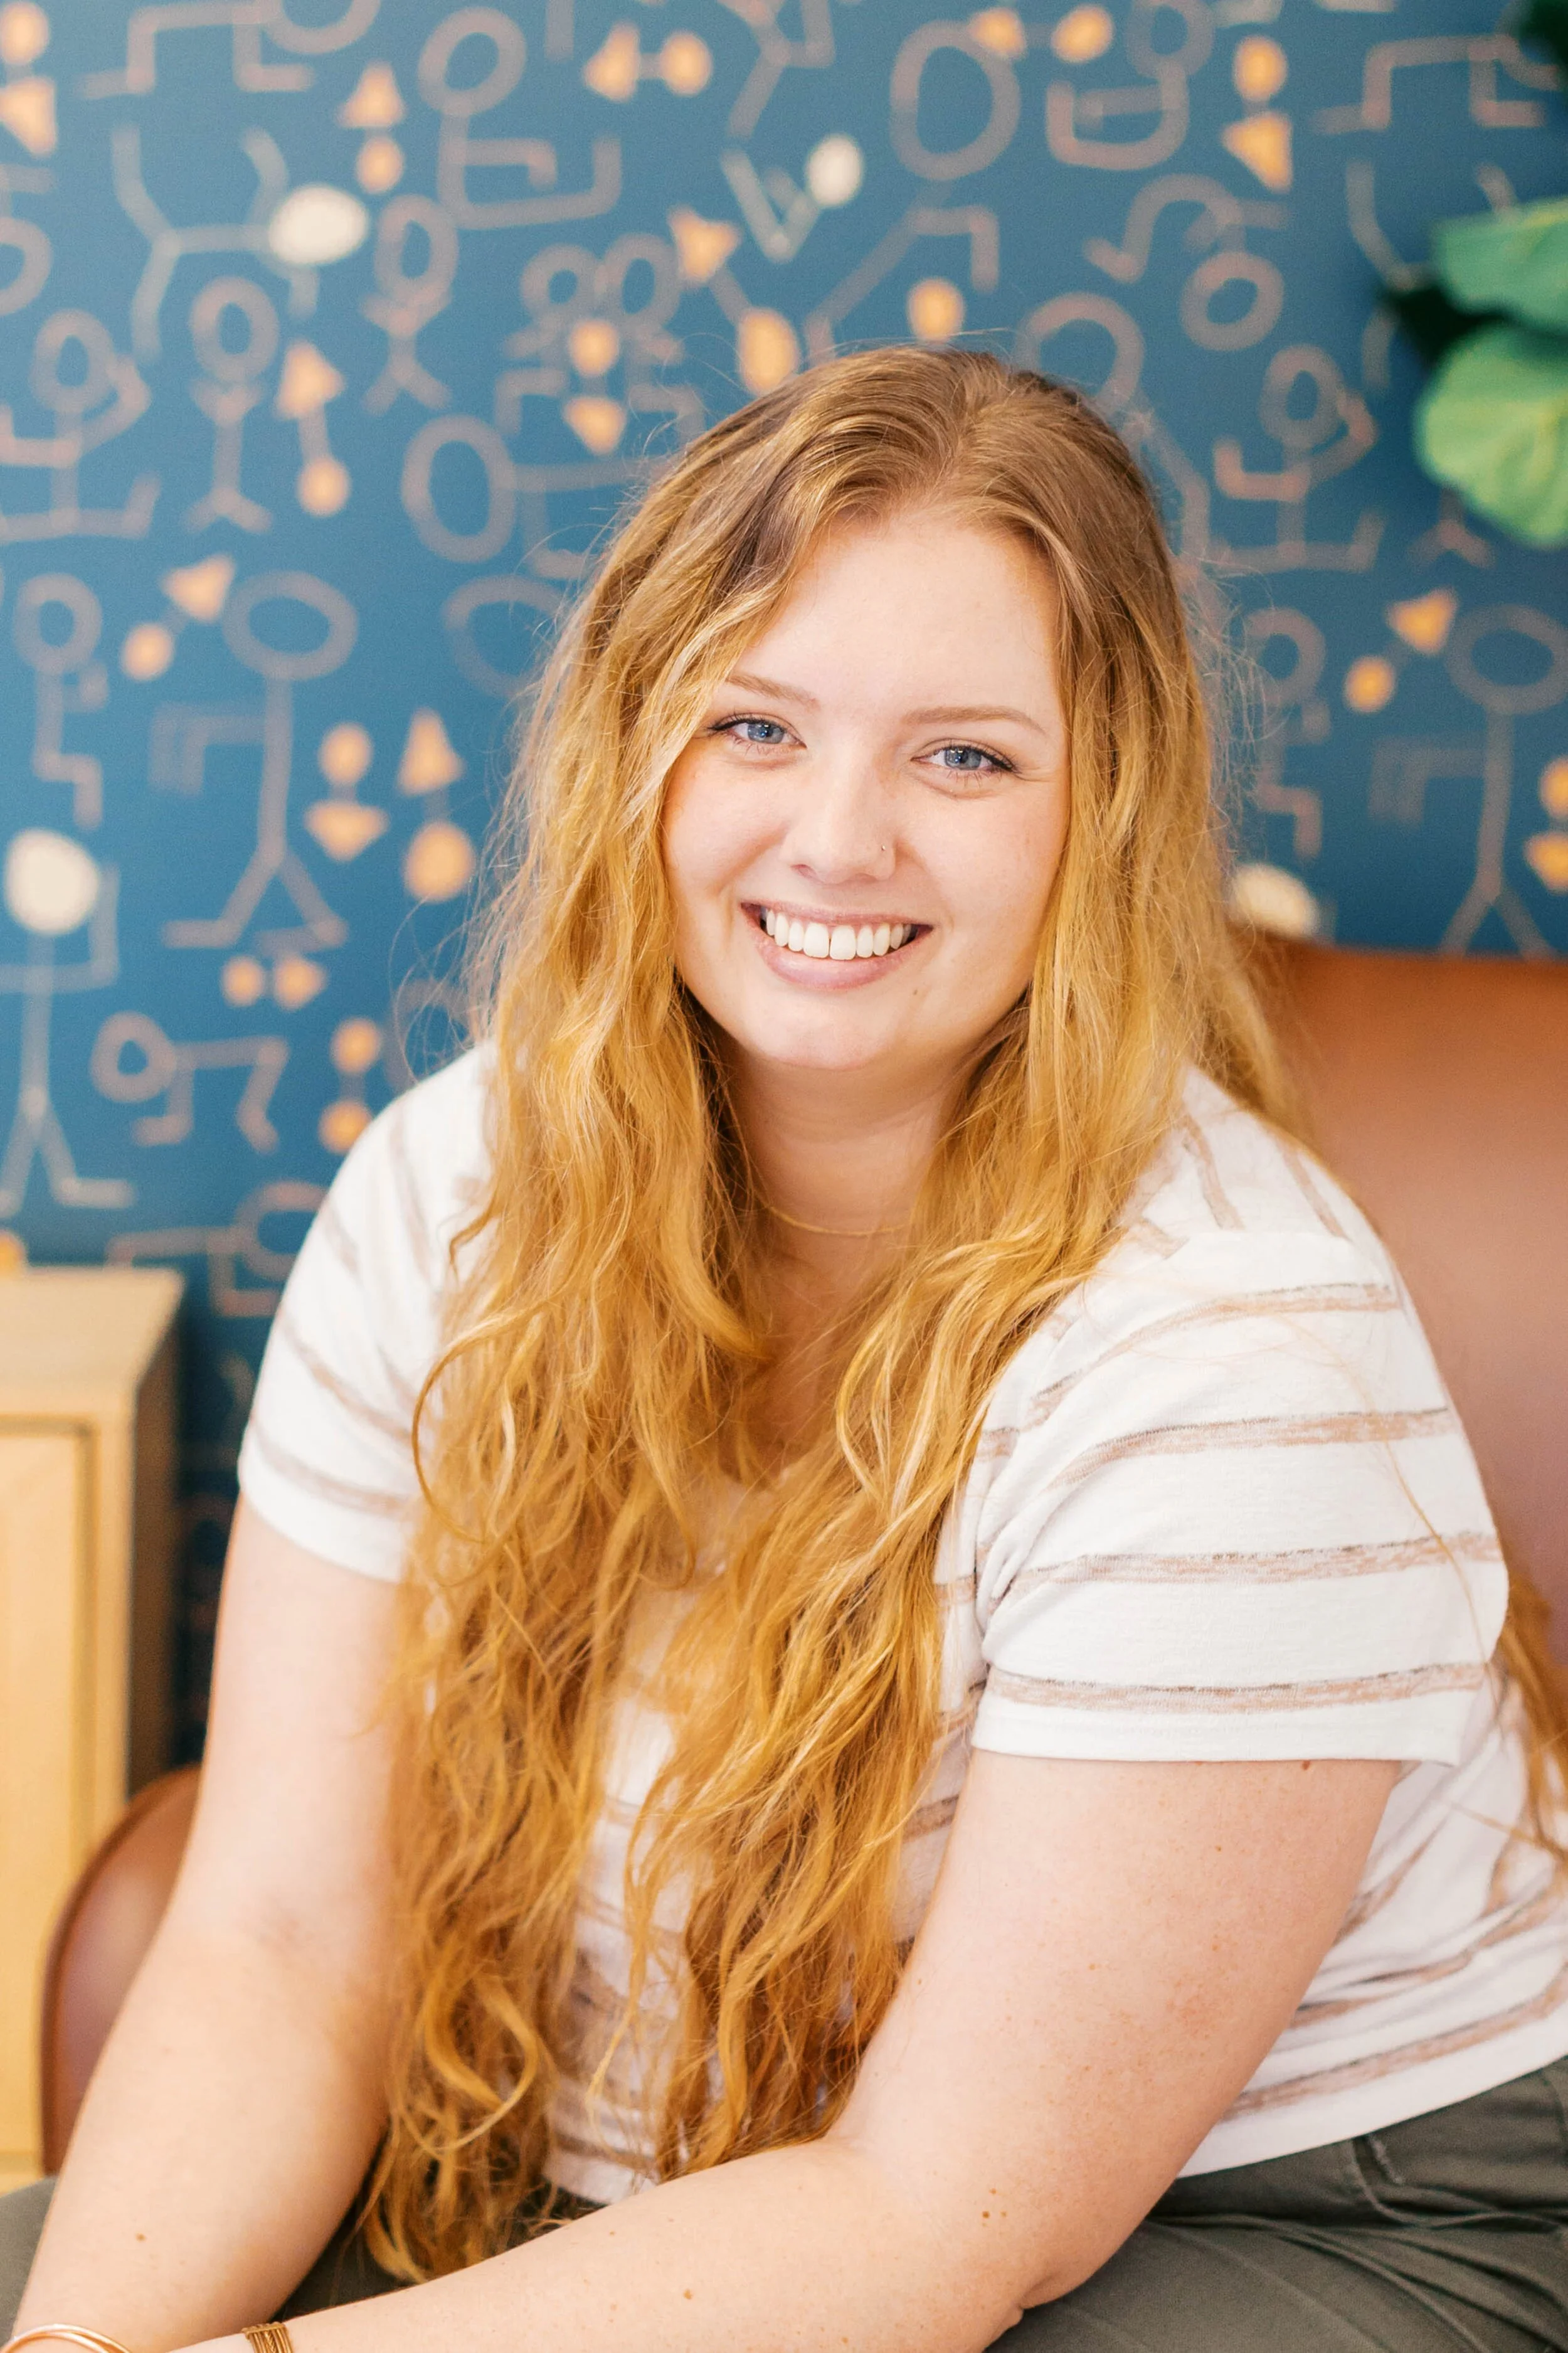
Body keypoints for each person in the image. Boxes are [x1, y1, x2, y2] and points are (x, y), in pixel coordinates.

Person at [6, 347, 1568, 2353]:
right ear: (633, 754)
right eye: (755, 724)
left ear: (1099, 813)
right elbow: (279, 1937)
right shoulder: (442, 1193)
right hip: (688, 2163)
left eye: (964, 758)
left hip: (1297, 2211)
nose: (837, 840)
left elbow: (934, 2215)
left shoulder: (1230, 1347)